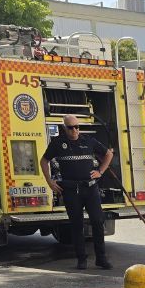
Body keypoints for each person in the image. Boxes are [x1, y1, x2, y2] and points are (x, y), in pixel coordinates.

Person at [41, 115, 115, 270]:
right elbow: (44, 160)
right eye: (70, 127)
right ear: (64, 128)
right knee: (76, 225)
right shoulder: (57, 143)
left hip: (90, 188)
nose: (74, 130)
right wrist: (49, 181)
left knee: (97, 221)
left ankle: (101, 258)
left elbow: (108, 154)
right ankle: (81, 259)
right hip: (70, 190)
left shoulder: (88, 141)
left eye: (77, 126)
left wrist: (100, 171)